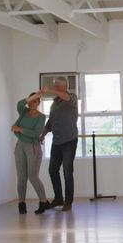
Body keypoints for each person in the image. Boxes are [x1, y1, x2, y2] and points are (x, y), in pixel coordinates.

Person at [40, 77, 79, 212]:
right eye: (54, 86)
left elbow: (66, 97)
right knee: (52, 170)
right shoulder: (54, 103)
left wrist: (50, 89)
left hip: (69, 140)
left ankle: (68, 202)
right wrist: (43, 134)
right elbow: (51, 121)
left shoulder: (72, 98)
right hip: (57, 141)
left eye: (57, 86)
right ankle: (58, 199)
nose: (55, 88)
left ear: (65, 86)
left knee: (67, 171)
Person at [12, 91, 51, 215]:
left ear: (39, 102)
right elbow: (19, 103)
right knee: (21, 177)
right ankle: (21, 203)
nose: (33, 103)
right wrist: (33, 96)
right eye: (31, 101)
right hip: (20, 146)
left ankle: (43, 202)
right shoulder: (23, 112)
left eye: (36, 101)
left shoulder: (41, 117)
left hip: (33, 147)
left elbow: (35, 134)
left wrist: (19, 129)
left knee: (32, 175)